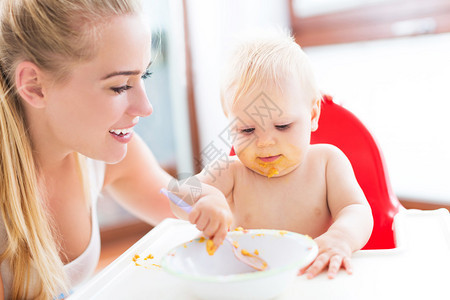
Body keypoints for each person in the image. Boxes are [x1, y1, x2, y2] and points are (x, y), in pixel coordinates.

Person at [0, 0, 232, 299]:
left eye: (143, 77)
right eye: (120, 86)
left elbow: (175, 195)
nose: (146, 108)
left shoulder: (100, 151)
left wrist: (206, 197)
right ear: (34, 86)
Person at [197, 31, 373, 280]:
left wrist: (341, 236)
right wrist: (208, 199)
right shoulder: (231, 171)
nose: (265, 142)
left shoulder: (326, 163)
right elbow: (180, 195)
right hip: (249, 282)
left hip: (314, 277)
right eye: (247, 130)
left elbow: (357, 209)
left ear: (312, 116)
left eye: (283, 126)